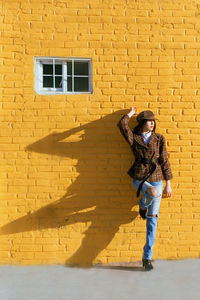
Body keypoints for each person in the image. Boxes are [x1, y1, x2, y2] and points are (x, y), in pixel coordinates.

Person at [117, 107, 173, 271]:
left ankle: (146, 258)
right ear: (142, 123)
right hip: (139, 177)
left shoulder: (159, 138)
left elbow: (164, 160)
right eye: (149, 121)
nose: (152, 124)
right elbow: (121, 125)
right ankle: (143, 205)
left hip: (157, 178)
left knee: (152, 220)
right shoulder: (134, 138)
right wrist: (129, 114)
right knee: (152, 193)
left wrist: (168, 182)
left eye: (153, 121)